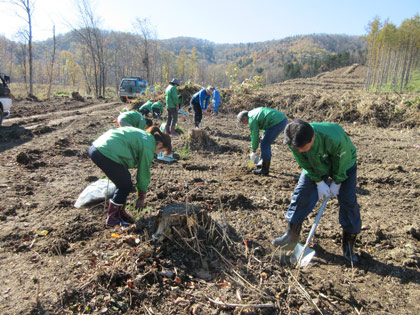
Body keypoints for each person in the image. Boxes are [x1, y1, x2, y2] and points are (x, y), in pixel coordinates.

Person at [272, 119, 360, 264]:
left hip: (345, 164)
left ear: (312, 138)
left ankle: (349, 245)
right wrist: (319, 182)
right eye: (296, 148)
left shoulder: (334, 138)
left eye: (302, 148)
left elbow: (342, 161)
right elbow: (304, 163)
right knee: (302, 194)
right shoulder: (294, 140)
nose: (299, 150)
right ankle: (291, 235)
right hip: (316, 166)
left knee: (348, 201)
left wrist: (337, 182)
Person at [89, 126, 172, 226]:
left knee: (124, 180)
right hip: (104, 152)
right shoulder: (148, 147)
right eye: (161, 151)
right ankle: (112, 218)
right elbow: (143, 172)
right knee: (125, 185)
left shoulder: (145, 136)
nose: (159, 153)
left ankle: (120, 212)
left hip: (98, 147)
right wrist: (141, 197)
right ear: (160, 144)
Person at [237, 107, 288, 176]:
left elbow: (254, 135)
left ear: (244, 118)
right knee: (266, 143)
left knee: (265, 144)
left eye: (243, 122)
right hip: (281, 119)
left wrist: (254, 149)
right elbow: (265, 120)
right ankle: (263, 162)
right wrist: (264, 134)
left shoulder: (251, 119)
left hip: (277, 122)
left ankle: (264, 169)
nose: (245, 124)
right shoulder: (253, 113)